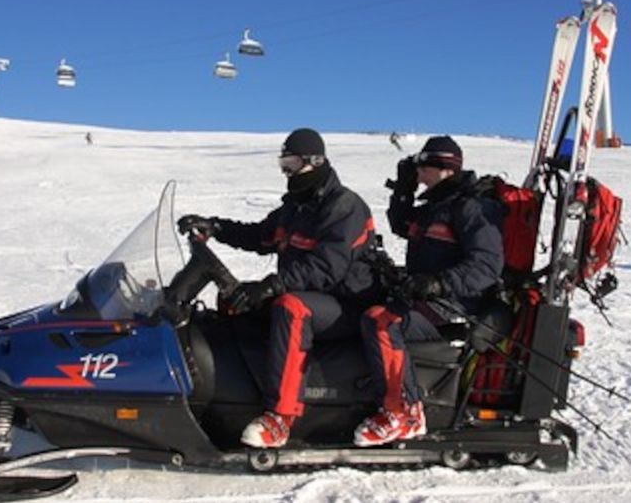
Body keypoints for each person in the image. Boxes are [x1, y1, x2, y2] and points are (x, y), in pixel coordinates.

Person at [177, 128, 381, 449]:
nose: (287, 172)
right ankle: (229, 400)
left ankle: (281, 418)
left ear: (316, 161)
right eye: (283, 164)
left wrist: (273, 286)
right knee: (236, 302)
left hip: (347, 303)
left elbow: (328, 267)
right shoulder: (297, 206)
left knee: (290, 308)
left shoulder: (344, 206)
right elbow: (260, 236)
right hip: (311, 294)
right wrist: (216, 227)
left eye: (293, 163)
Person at [355, 135, 504, 447]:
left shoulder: (471, 209)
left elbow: (487, 267)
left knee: (381, 321)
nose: (419, 175)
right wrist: (403, 189)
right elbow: (400, 224)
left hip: (457, 306)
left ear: (446, 169)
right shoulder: (436, 206)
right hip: (426, 298)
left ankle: (405, 413)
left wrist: (438, 282)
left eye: (424, 168)